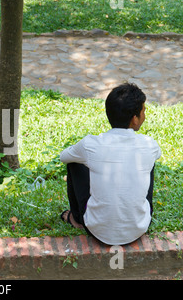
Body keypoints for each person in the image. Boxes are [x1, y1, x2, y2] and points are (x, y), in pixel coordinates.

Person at [59, 82, 161, 246]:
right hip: (139, 227)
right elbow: (156, 155)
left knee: (74, 162)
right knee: (148, 161)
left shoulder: (90, 144)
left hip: (96, 229)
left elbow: (64, 156)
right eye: (143, 112)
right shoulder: (149, 144)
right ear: (135, 120)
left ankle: (76, 217)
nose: (145, 116)